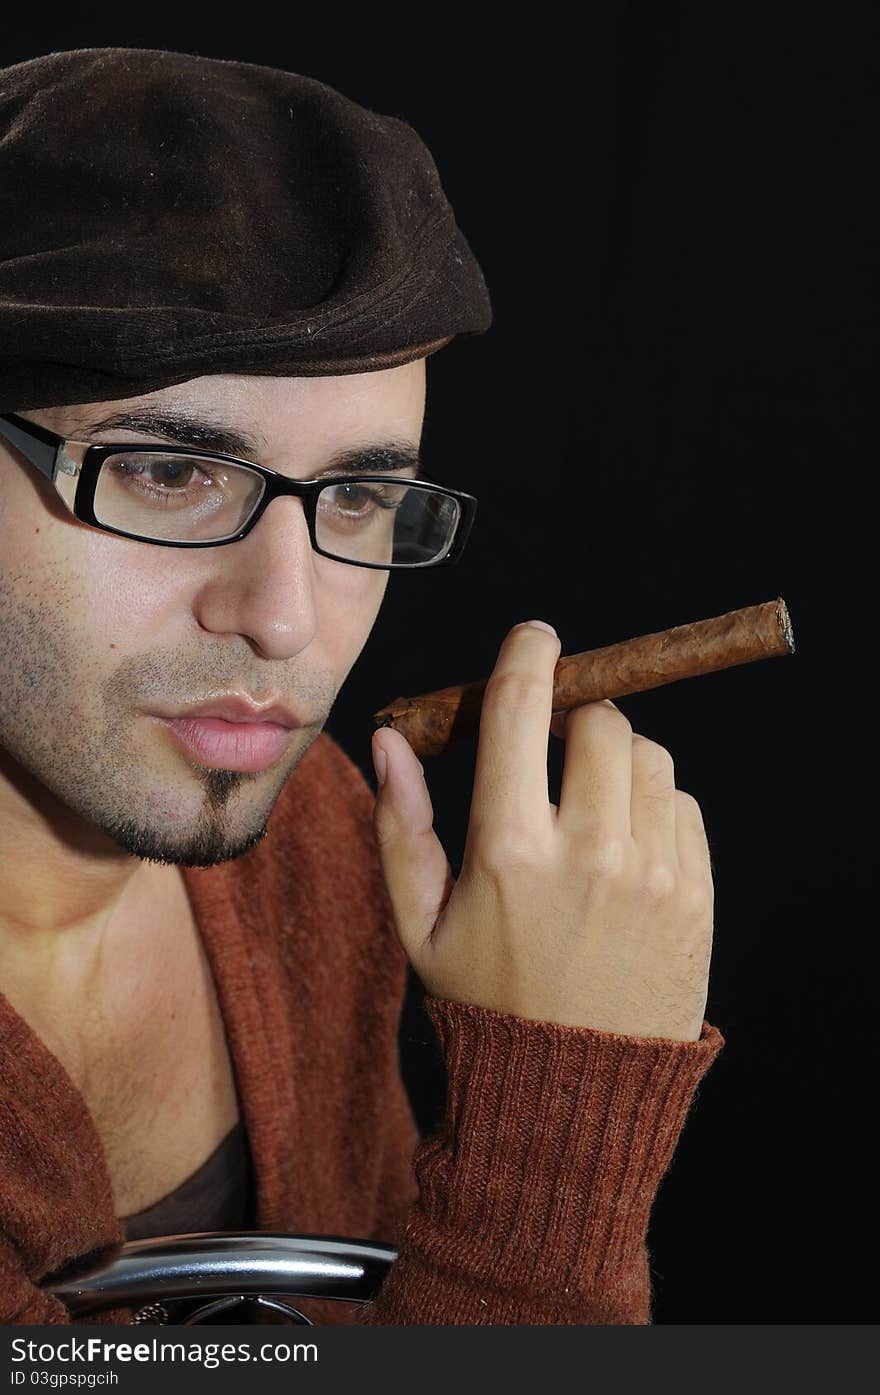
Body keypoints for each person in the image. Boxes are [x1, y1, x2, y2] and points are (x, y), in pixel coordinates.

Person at [0, 47, 724, 1326]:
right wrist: (553, 1124)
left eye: (361, 497)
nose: (284, 620)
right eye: (169, 473)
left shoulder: (315, 839)